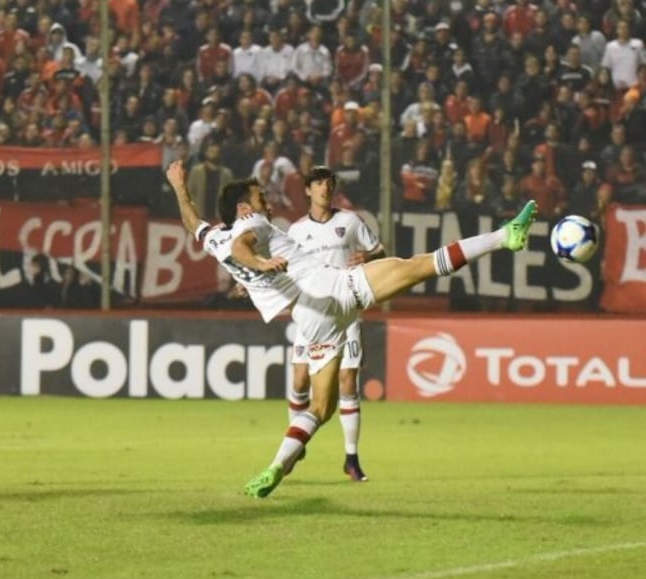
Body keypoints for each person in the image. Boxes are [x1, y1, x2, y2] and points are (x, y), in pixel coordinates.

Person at [164, 160, 537, 498]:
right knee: (419, 265)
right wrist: (260, 265)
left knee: (321, 407)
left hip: (310, 318)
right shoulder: (252, 224)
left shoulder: (214, 240)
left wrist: (180, 189)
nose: (269, 203)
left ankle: (277, 464)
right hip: (332, 290)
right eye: (261, 198)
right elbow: (245, 246)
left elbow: (192, 224)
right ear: (244, 208)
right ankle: (506, 237)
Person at [285, 167, 386, 482]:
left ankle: (351, 458)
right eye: (318, 183)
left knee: (347, 382)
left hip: (347, 310)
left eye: (329, 183)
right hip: (312, 312)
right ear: (307, 191)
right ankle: (297, 444)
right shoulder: (297, 231)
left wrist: (367, 260)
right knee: (300, 380)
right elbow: (285, 268)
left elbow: (379, 251)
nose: (324, 188)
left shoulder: (350, 222)